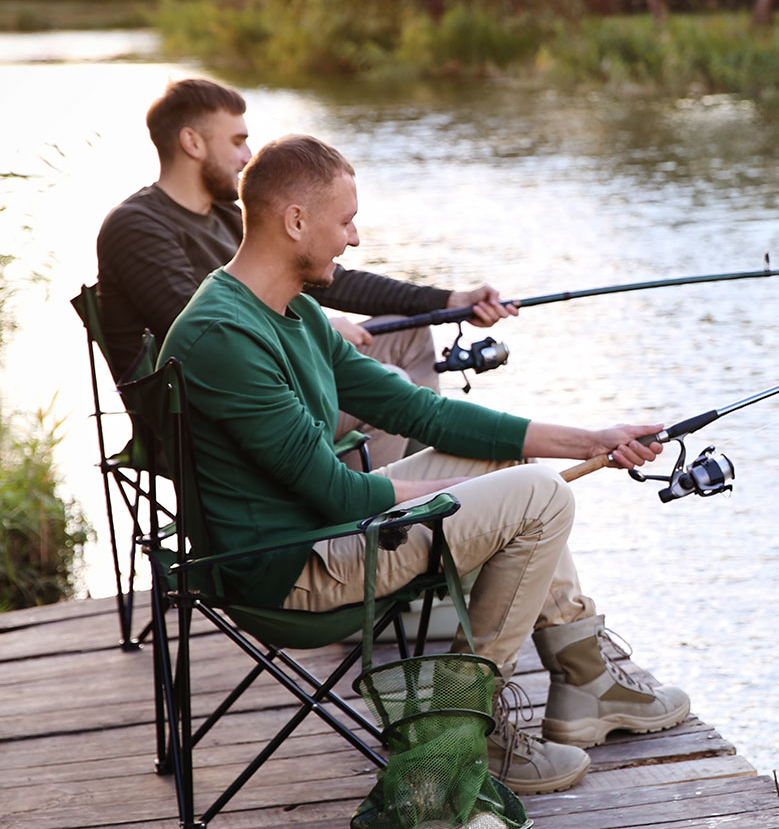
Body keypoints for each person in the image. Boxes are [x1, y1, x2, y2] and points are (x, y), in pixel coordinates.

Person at [158, 133, 691, 794]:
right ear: (295, 220)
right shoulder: (225, 335)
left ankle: (585, 684)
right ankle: (464, 726)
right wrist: (463, 500)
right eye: (345, 221)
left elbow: (425, 416)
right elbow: (338, 493)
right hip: (295, 570)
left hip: (321, 536)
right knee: (540, 497)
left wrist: (592, 439)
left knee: (513, 474)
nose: (352, 240)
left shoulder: (292, 310)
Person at [96, 77, 513, 468]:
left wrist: (448, 301)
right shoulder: (136, 226)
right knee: (391, 384)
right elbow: (195, 328)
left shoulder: (225, 214)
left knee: (409, 332)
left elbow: (332, 279)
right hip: (214, 414)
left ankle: (422, 492)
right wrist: (324, 330)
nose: (247, 157)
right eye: (238, 141)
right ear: (192, 142)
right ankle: (368, 526)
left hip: (277, 370)